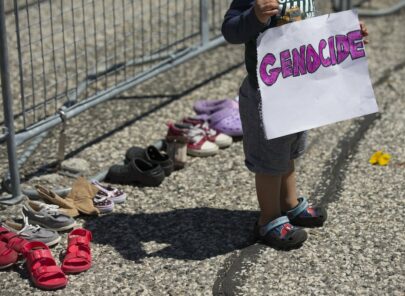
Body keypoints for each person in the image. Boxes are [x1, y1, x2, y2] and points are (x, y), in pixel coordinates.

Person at [222, 0, 369, 249]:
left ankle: (289, 203)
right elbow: (231, 30)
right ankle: (268, 218)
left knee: (289, 150)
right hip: (266, 94)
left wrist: (346, 36)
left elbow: (312, 28)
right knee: (269, 160)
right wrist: (255, 16)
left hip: (297, 86)